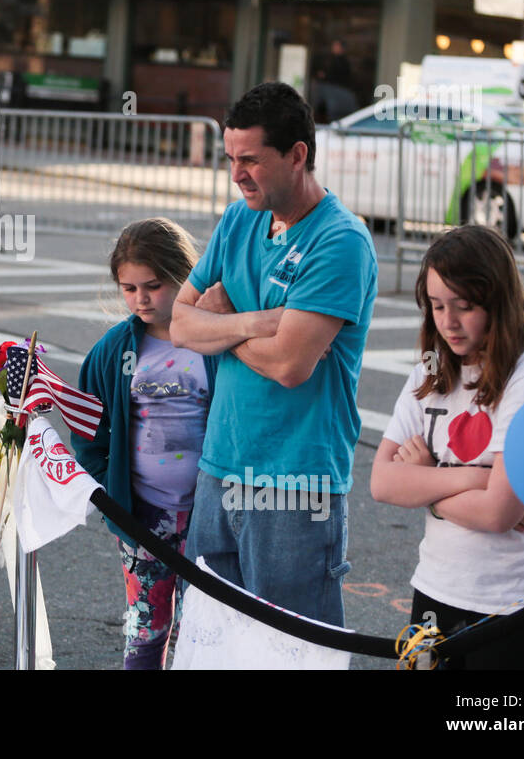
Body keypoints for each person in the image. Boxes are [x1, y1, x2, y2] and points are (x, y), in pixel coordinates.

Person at [169, 80, 377, 627]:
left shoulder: (341, 241)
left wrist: (220, 320)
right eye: (230, 158)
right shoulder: (241, 217)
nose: (236, 173)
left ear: (297, 155)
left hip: (296, 480)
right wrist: (256, 322)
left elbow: (291, 365)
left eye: (251, 160)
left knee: (288, 652)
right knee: (211, 643)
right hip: (221, 463)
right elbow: (180, 324)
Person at [370, 226, 524, 669]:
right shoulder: (432, 367)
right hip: (439, 584)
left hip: (514, 600)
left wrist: (425, 480)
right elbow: (381, 482)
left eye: (464, 306)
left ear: (496, 300)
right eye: (437, 305)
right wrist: (477, 478)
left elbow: (497, 514)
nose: (448, 322)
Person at [74, 218, 218, 669]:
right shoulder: (114, 350)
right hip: (142, 518)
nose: (140, 299)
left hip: (208, 515)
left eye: (153, 286)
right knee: (146, 629)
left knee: (206, 630)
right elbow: (88, 434)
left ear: (183, 277)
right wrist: (111, 496)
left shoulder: (214, 340)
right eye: (128, 288)